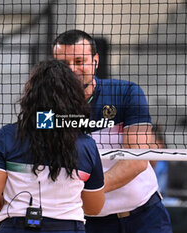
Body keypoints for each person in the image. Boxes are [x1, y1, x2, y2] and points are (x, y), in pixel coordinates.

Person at [52, 30, 172, 233]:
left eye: (80, 61)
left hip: (144, 217)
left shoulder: (127, 93)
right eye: (64, 64)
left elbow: (138, 159)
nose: (72, 69)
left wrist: (91, 190)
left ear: (95, 60)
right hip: (87, 222)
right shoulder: (47, 108)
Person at [0, 59, 105, 233]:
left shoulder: (7, 136)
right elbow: (94, 207)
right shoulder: (87, 145)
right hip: (67, 228)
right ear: (75, 98)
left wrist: (10, 204)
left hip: (16, 226)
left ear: (31, 96)